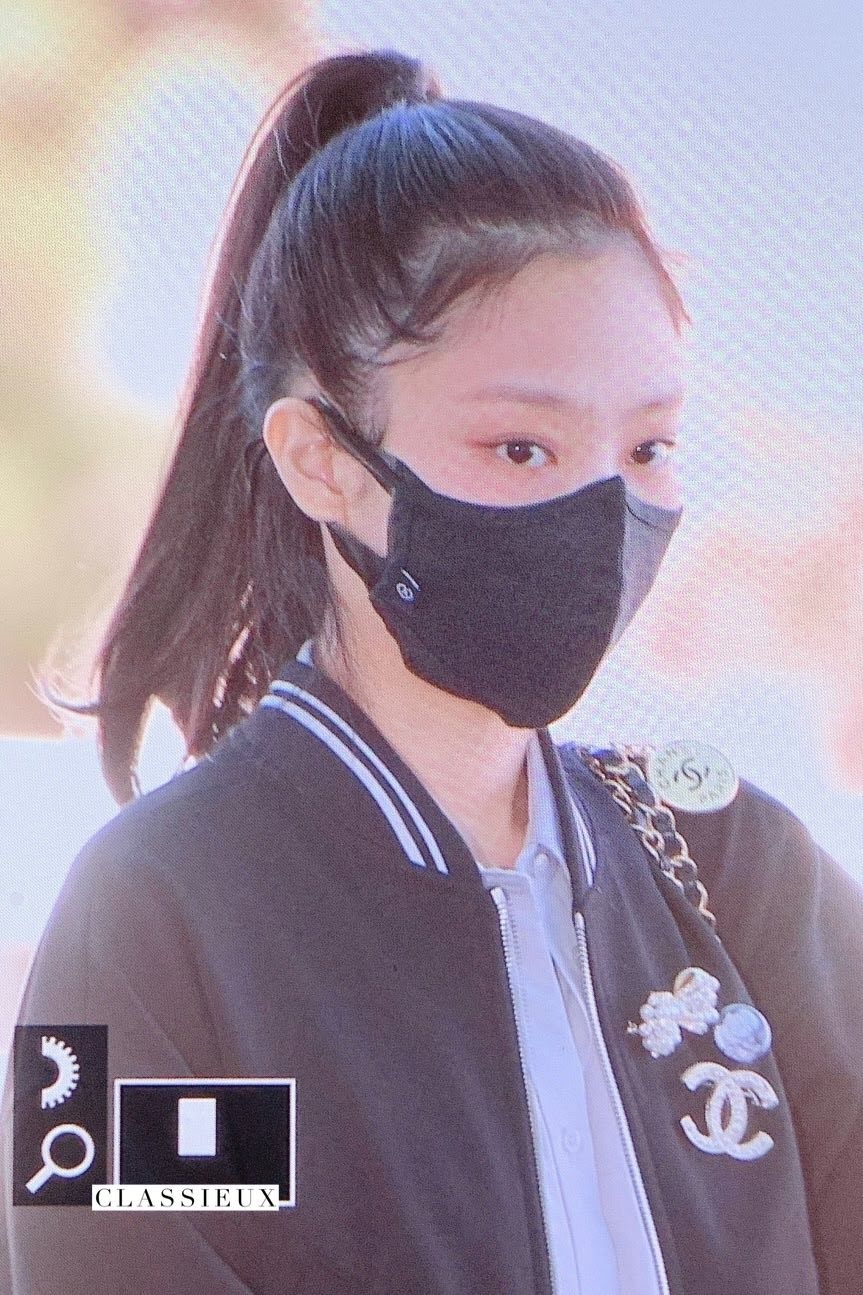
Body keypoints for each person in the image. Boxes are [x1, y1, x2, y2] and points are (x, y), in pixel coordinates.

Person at [2, 45, 862, 1295]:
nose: (598, 513)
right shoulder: (156, 916)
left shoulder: (738, 868)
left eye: (646, 446)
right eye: (519, 447)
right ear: (321, 459)